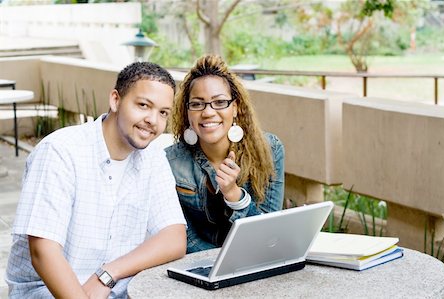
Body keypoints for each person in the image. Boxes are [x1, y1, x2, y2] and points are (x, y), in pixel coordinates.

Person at [6, 62, 187, 298]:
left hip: (116, 285)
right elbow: (43, 251)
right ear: (115, 100)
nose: (153, 120)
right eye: (143, 105)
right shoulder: (60, 151)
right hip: (47, 291)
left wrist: (109, 273)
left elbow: (174, 237)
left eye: (163, 112)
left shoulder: (152, 156)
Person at [165, 55, 285, 253]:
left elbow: (268, 234)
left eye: (219, 102)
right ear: (187, 111)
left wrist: (234, 195)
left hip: (256, 261)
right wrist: (220, 265)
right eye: (197, 104)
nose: (208, 112)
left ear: (235, 108)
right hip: (199, 266)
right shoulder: (170, 162)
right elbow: (183, 235)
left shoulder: (270, 150)